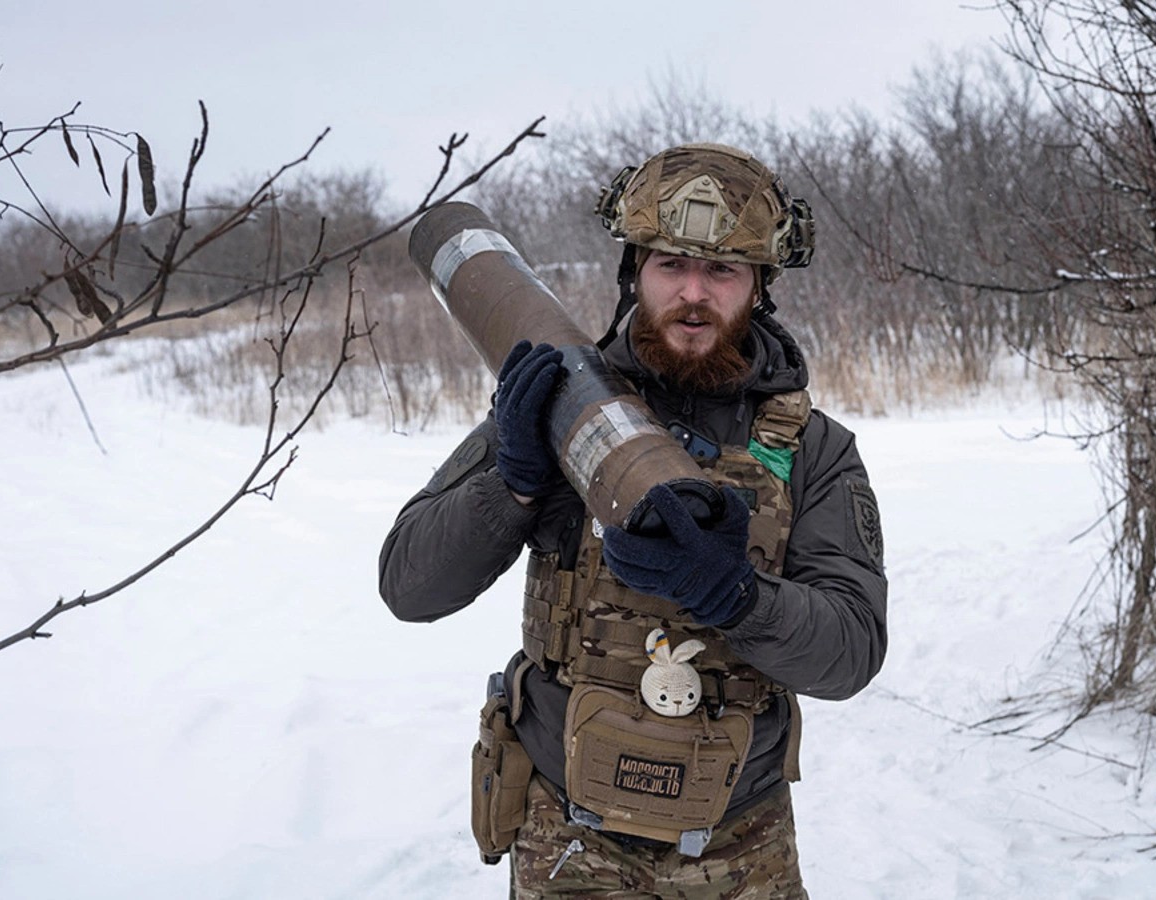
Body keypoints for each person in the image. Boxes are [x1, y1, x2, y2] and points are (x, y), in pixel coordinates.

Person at [378, 142, 887, 899]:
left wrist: (740, 597)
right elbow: (408, 586)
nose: (693, 292)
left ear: (759, 288)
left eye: (722, 270)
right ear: (633, 271)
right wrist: (513, 485)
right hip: (568, 837)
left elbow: (851, 651)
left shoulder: (814, 448)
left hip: (742, 843)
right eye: (670, 264)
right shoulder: (555, 407)